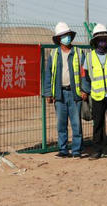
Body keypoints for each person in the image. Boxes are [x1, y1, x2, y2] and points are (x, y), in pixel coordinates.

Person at [80, 24, 107, 159]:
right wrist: (86, 91)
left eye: (104, 39)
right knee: (98, 124)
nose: (102, 42)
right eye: (100, 39)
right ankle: (97, 150)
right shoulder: (89, 57)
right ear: (95, 41)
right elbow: (85, 77)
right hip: (97, 96)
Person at [42, 22, 84, 158]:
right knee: (61, 124)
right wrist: (48, 93)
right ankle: (63, 150)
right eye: (64, 36)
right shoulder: (54, 54)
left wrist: (84, 90)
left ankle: (76, 150)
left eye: (68, 35)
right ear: (59, 39)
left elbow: (84, 73)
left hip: (75, 93)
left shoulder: (78, 52)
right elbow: (48, 74)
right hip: (59, 94)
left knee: (76, 123)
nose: (67, 38)